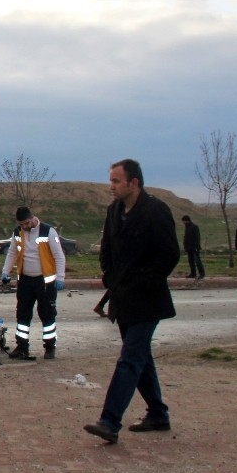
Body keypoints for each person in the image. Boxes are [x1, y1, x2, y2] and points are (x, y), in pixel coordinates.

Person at [84, 159, 179, 444]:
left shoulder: (155, 210)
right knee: (141, 358)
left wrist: (144, 281)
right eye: (111, 180)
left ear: (133, 183)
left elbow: (169, 254)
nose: (111, 186)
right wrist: (110, 277)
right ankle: (158, 414)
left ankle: (109, 421)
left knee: (130, 359)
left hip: (148, 300)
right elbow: (107, 250)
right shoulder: (114, 211)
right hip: (122, 297)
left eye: (116, 181)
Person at [0, 206, 66, 359]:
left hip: (45, 282)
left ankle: (50, 347)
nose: (24, 226)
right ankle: (22, 346)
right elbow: (12, 253)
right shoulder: (18, 232)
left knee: (47, 315)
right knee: (22, 314)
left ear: (32, 218)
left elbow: (59, 255)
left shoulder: (48, 231)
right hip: (25, 280)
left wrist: (60, 277)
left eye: (26, 223)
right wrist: (5, 272)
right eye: (21, 224)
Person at [181, 215, 205, 280]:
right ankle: (193, 274)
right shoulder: (187, 227)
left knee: (197, 261)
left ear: (186, 220)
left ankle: (202, 274)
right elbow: (186, 238)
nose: (183, 223)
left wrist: (196, 246)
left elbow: (197, 238)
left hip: (194, 248)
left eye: (183, 221)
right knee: (191, 261)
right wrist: (185, 247)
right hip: (189, 248)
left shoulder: (194, 227)